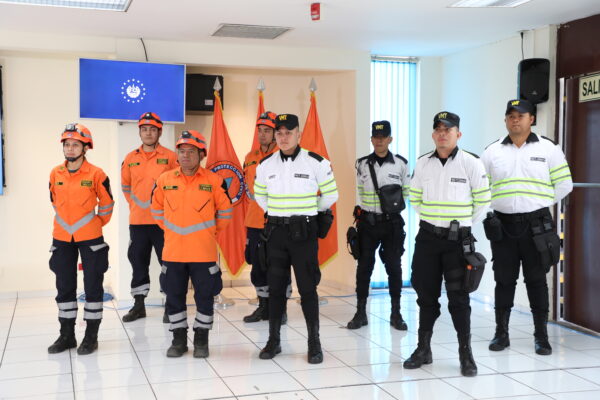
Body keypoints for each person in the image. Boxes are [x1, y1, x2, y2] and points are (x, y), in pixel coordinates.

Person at [481, 99, 573, 356]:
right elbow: (480, 187)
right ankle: (501, 333)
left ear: (531, 119)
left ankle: (541, 337)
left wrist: (539, 203)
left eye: (520, 115)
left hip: (537, 226)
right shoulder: (492, 151)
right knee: (503, 280)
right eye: (510, 115)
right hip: (504, 226)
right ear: (505, 120)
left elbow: (565, 184)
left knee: (536, 281)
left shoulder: (549, 148)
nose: (515, 120)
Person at [404, 111, 490, 377]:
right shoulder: (423, 163)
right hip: (428, 239)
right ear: (433, 134)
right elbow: (414, 198)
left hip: (457, 241)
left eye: (448, 129)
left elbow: (483, 201)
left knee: (459, 298)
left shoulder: (471, 163)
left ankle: (466, 353)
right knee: (425, 296)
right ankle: (423, 349)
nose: (442, 134)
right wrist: (434, 221)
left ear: (458, 134)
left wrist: (463, 223)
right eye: (438, 129)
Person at [254, 113, 338, 364]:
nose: (283, 137)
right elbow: (260, 196)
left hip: (304, 234)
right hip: (276, 233)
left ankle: (314, 343)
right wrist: (277, 213)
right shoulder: (265, 165)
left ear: (298, 134)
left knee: (308, 289)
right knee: (276, 289)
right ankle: (274, 340)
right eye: (279, 133)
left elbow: (331, 195)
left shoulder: (316, 162)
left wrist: (310, 213)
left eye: (288, 133)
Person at [151, 130, 232, 358]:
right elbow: (156, 209)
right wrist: (171, 230)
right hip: (173, 252)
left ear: (201, 154)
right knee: (174, 296)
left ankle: (201, 340)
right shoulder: (164, 180)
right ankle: (178, 340)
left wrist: (210, 232)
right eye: (182, 151)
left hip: (203, 252)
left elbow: (226, 212)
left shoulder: (214, 181)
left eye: (191, 152)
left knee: (204, 297)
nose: (185, 155)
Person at [48, 123, 114, 355]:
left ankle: (91, 337)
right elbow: (54, 200)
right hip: (61, 237)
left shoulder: (97, 174)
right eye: (67, 144)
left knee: (93, 285)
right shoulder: (55, 173)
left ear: (86, 148)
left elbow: (107, 204)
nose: (70, 148)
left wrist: (94, 224)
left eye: (75, 145)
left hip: (91, 237)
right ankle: (66, 336)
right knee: (64, 286)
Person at [347, 120, 409, 331]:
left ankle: (396, 313)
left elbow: (407, 193)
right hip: (368, 224)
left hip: (391, 224)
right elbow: (359, 191)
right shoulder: (362, 164)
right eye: (376, 136)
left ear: (390, 139)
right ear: (371, 139)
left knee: (394, 267)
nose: (379, 140)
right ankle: (360, 313)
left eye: (383, 137)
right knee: (364, 268)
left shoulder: (401, 164)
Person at [121, 112, 177, 323]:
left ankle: (171, 305)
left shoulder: (171, 157)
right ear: (139, 132)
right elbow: (126, 186)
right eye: (144, 129)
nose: (148, 133)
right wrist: (137, 206)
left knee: (168, 264)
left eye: (152, 129)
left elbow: (177, 186)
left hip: (163, 222)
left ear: (159, 132)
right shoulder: (130, 158)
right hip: (138, 222)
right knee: (138, 264)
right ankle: (138, 306)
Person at [242, 112, 292, 324]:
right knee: (258, 267)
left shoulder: (284, 155)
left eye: (267, 131)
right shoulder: (250, 157)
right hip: (254, 221)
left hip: (277, 220)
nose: (262, 135)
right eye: (260, 131)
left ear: (275, 133)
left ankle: (281, 309)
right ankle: (263, 306)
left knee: (280, 266)